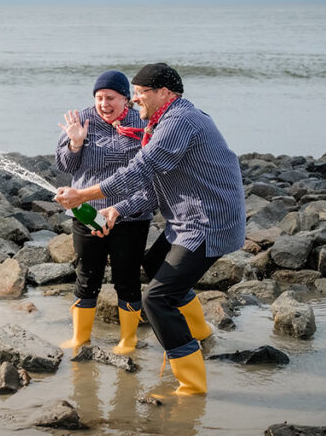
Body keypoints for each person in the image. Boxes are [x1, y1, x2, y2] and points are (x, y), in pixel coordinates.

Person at [55, 63, 245, 396]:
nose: (135, 100)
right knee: (153, 266)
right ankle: (199, 332)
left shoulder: (180, 121)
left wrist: (83, 196)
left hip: (207, 223)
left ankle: (192, 385)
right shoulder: (162, 121)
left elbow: (142, 169)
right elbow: (154, 182)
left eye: (140, 93)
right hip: (184, 221)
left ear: (165, 93)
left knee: (156, 300)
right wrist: (117, 208)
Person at [55, 70, 151, 354]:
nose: (104, 104)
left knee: (128, 278)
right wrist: (75, 142)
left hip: (130, 213)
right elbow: (65, 166)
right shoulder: (82, 119)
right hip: (86, 212)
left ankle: (128, 339)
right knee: (87, 274)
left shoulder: (143, 122)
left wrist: (120, 210)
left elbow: (151, 172)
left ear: (127, 99)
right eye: (99, 98)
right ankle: (80, 338)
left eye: (110, 97)